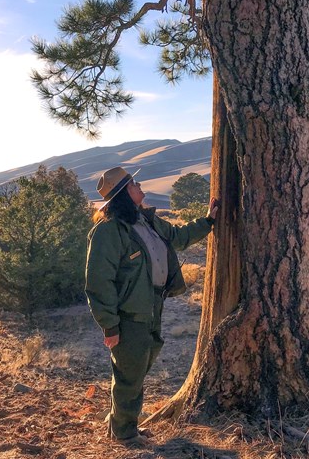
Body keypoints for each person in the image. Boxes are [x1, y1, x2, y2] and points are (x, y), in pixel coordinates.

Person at [85, 166, 219, 446]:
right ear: (124, 193)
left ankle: (120, 423)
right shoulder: (108, 231)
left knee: (138, 368)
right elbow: (99, 281)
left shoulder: (146, 221)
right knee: (129, 374)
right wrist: (109, 324)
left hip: (153, 307)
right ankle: (125, 434)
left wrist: (208, 221)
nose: (140, 185)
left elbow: (178, 237)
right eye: (134, 183)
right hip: (129, 315)